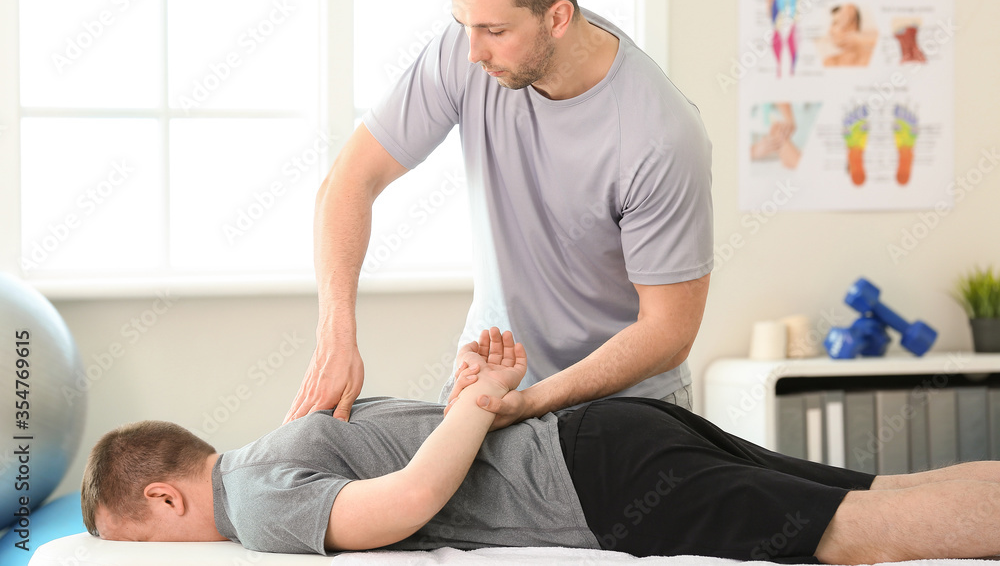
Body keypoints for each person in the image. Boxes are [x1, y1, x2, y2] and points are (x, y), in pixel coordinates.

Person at [285, 0, 714, 429]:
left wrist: (532, 403)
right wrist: (336, 336)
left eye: (493, 29)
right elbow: (350, 181)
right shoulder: (467, 52)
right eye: (463, 24)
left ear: (557, 17)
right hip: (492, 379)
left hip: (628, 408)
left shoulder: (659, 135)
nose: (472, 53)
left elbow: (668, 333)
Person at [87, 329, 1000, 563]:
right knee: (883, 493)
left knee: (857, 534)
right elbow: (425, 446)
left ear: (165, 498)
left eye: (140, 547)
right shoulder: (297, 433)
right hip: (606, 433)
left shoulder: (252, 504)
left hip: (592, 481)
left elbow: (401, 507)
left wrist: (478, 406)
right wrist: (469, 400)